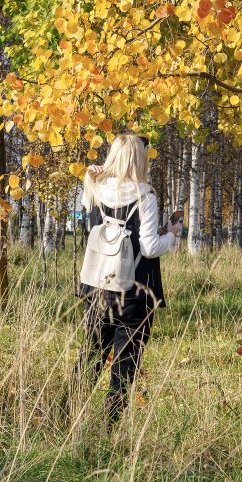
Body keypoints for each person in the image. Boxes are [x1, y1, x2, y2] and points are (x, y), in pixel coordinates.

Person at [77, 134, 180, 422]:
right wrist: (171, 235)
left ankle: (68, 414)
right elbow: (149, 247)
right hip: (134, 293)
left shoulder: (95, 189)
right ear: (139, 160)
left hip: (97, 287)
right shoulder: (145, 196)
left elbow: (86, 205)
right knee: (125, 364)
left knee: (91, 356)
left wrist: (90, 174)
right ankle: (108, 428)